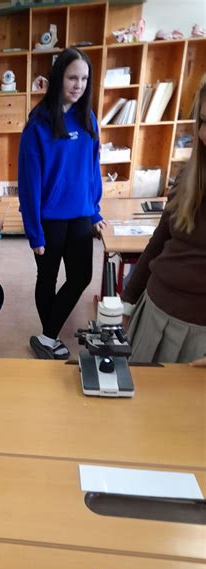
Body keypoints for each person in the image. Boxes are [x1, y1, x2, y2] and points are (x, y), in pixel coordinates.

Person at [18, 47, 106, 360]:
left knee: (81, 276)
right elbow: (28, 184)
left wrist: (95, 209)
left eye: (84, 78)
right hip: (49, 219)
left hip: (81, 213)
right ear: (59, 79)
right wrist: (34, 231)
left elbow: (92, 169)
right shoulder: (38, 125)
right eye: (72, 77)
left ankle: (46, 336)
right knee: (48, 277)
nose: (78, 84)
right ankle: (50, 337)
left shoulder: (88, 119)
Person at [122, 79, 206, 366]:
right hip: (155, 310)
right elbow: (159, 242)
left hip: (199, 334)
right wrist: (129, 299)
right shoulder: (188, 178)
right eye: (203, 121)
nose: (204, 134)